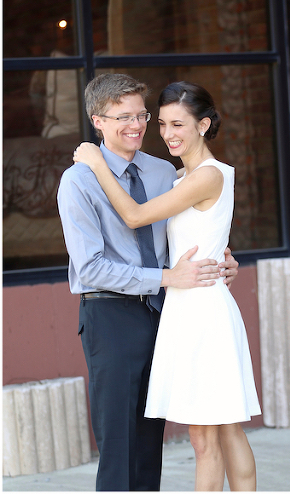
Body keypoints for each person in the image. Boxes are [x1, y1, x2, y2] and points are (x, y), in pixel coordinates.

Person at [74, 81, 260, 491]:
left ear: (203, 124)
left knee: (212, 432)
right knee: (218, 429)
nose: (165, 132)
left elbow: (137, 217)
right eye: (161, 123)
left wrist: (96, 161)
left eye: (177, 123)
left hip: (196, 310)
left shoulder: (195, 175)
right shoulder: (176, 176)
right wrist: (222, 255)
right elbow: (193, 231)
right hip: (170, 307)